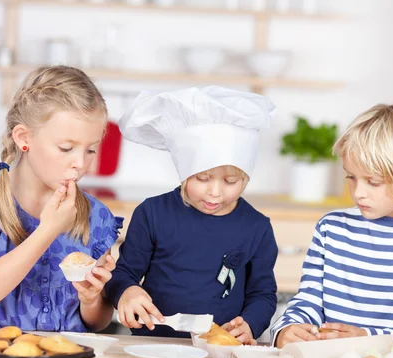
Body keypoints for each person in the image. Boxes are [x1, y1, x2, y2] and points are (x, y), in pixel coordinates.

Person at [270, 104, 393, 355]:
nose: (358, 193)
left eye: (373, 182)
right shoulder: (331, 228)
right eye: (351, 177)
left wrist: (369, 338)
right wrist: (287, 329)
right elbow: (308, 301)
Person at [0, 66, 123, 332]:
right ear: (24, 138)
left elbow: (98, 321)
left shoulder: (97, 218)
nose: (80, 163)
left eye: (91, 149)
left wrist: (91, 299)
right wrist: (48, 230)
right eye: (66, 148)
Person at [105, 86, 278, 344]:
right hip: (152, 343)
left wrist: (251, 324)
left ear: (245, 178)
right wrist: (126, 292)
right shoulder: (152, 214)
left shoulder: (257, 227)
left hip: (219, 349)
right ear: (184, 170)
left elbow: (263, 293)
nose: (215, 193)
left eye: (231, 181)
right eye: (202, 178)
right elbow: (123, 273)